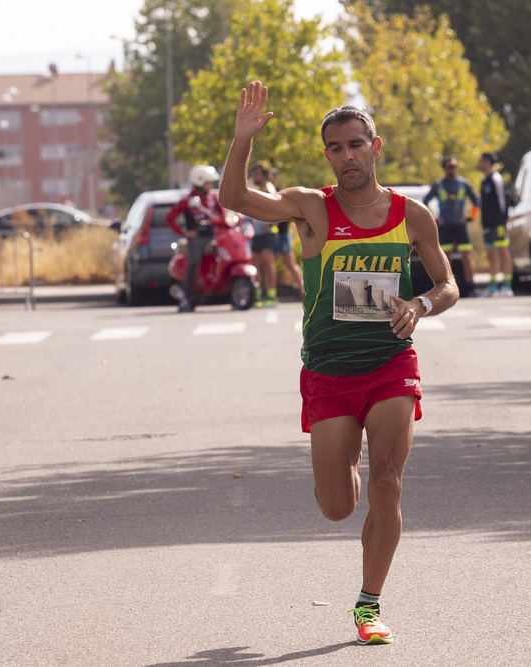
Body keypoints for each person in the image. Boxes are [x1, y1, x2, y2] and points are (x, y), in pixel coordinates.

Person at [217, 82, 459, 645]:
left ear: (376, 146)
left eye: (356, 144)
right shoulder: (311, 207)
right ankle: (348, 465)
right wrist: (241, 142)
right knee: (336, 506)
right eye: (335, 147)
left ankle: (369, 605)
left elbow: (447, 283)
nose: (346, 155)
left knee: (389, 484)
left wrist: (420, 305)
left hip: (390, 363)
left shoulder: (411, 214)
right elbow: (236, 199)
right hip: (328, 370)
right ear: (326, 154)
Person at [165, 164, 224, 312]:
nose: (210, 186)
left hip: (212, 235)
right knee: (194, 262)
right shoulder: (187, 200)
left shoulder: (212, 197)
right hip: (196, 238)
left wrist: (219, 220)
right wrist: (184, 233)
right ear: (200, 182)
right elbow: (170, 218)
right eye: (208, 182)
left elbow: (222, 213)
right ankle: (187, 295)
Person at [423, 156, 480, 297]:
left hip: (460, 225)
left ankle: (471, 288)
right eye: (449, 166)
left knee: (467, 258)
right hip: (445, 226)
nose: (452, 169)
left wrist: (470, 217)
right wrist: (434, 219)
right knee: (446, 259)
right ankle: (447, 289)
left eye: (454, 166)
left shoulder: (463, 183)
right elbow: (425, 202)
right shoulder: (438, 185)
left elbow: (477, 200)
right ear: (444, 168)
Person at [477, 152, 513, 297]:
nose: (478, 163)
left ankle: (507, 286)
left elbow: (502, 202)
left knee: (503, 252)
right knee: (491, 255)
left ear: (486, 162)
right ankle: (492, 287)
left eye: (480, 161)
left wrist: (504, 222)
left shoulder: (496, 179)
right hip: (487, 224)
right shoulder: (484, 181)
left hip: (498, 224)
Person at [247, 163, 280, 307]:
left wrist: (272, 224)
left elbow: (279, 210)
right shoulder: (258, 189)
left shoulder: (268, 189)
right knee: (254, 265)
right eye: (253, 174)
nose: (254, 177)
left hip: (268, 235)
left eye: (257, 174)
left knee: (267, 265)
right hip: (256, 234)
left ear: (265, 175)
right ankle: (258, 296)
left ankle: (271, 297)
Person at [270, 167, 305, 300]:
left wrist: (276, 222)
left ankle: (303, 290)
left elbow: (288, 214)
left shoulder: (281, 192)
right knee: (269, 262)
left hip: (283, 234)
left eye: (272, 176)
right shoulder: (266, 191)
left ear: (276, 177)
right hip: (271, 235)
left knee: (289, 263)